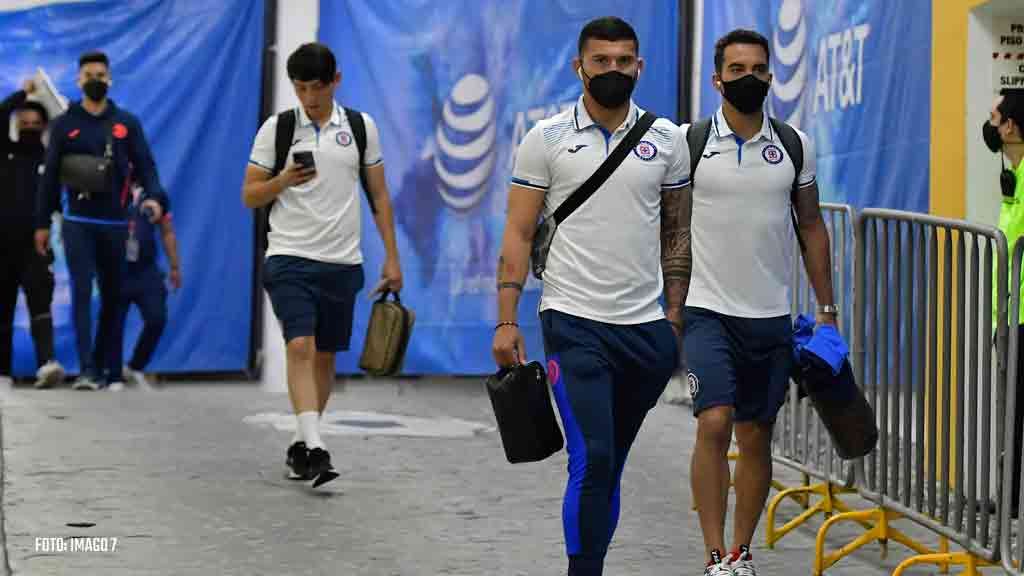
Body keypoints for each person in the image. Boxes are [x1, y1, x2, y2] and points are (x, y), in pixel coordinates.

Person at [492, 17, 689, 576]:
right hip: (572, 323)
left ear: (639, 67)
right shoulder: (545, 140)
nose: (612, 70)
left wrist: (673, 322)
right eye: (600, 61)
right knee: (593, 458)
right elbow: (518, 234)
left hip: (646, 333)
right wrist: (506, 320)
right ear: (579, 66)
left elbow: (677, 233)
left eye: (623, 61)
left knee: (610, 465)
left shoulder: (666, 140)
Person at [682, 29, 836, 575]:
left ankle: (741, 553)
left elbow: (812, 226)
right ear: (717, 78)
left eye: (758, 69)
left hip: (769, 316)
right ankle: (712, 553)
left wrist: (827, 311)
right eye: (738, 69)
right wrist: (670, 301)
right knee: (714, 421)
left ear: (771, 76)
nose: (749, 78)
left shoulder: (793, 145)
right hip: (706, 312)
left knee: (755, 434)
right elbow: (666, 224)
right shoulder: (690, 143)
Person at [243, 43, 403, 486]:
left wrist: (391, 256)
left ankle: (301, 438)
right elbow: (250, 194)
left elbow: (380, 195)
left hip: (342, 262)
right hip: (289, 256)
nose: (310, 97)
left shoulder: (359, 127)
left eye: (317, 86)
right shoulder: (276, 130)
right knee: (301, 346)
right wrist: (281, 180)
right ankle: (317, 447)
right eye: (300, 88)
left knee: (325, 357)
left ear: (336, 81)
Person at [36, 51, 165, 391]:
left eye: (100, 75)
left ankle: (107, 367)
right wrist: (41, 223)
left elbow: (146, 167)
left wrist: (154, 196)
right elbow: (49, 177)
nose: (95, 80)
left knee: (113, 296)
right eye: (88, 75)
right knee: (81, 291)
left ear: (109, 79)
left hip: (116, 224)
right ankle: (87, 371)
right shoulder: (65, 124)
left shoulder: (126, 123)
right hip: (77, 221)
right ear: (79, 80)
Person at [0, 79, 65, 389]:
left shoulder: (51, 159)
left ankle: (46, 364)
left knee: (41, 305)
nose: (29, 128)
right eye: (23, 123)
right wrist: (23, 95)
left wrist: (47, 99)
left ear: (44, 127)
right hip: (2, 245)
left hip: (36, 245)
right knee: (2, 308)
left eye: (36, 124)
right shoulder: (5, 151)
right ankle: (2, 373)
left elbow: (64, 123)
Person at [984, 88, 1024, 516]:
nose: (991, 126)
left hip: (1023, 316)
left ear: (1010, 126)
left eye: (995, 118)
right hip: (1011, 313)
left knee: (1014, 410)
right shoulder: (1014, 173)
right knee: (1010, 411)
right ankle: (1009, 498)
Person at [116, 184, 180, 391]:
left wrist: (174, 266)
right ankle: (111, 373)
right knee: (113, 322)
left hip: (145, 268)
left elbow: (167, 231)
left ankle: (135, 367)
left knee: (157, 318)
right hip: (118, 268)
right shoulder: (113, 186)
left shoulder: (155, 194)